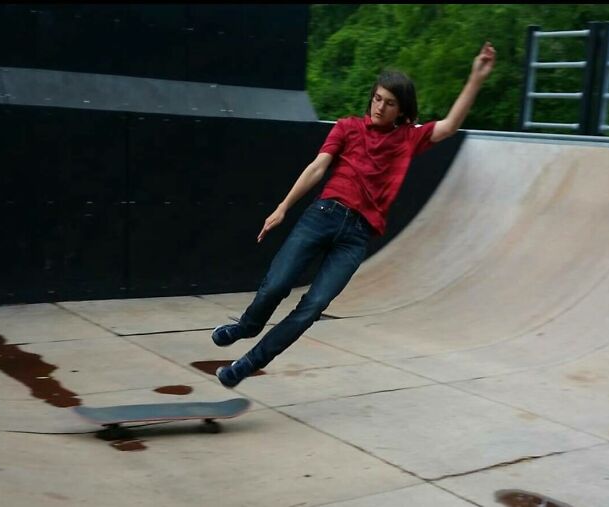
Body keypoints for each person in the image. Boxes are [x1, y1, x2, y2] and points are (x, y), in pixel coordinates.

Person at [212, 42, 496, 387]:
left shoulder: (408, 138)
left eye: (389, 103)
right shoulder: (348, 128)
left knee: (313, 306)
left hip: (357, 236)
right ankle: (246, 326)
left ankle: (245, 366)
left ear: (401, 110)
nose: (380, 107)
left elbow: (449, 126)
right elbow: (318, 167)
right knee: (277, 285)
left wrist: (476, 78)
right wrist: (283, 207)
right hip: (323, 214)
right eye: (377, 99)